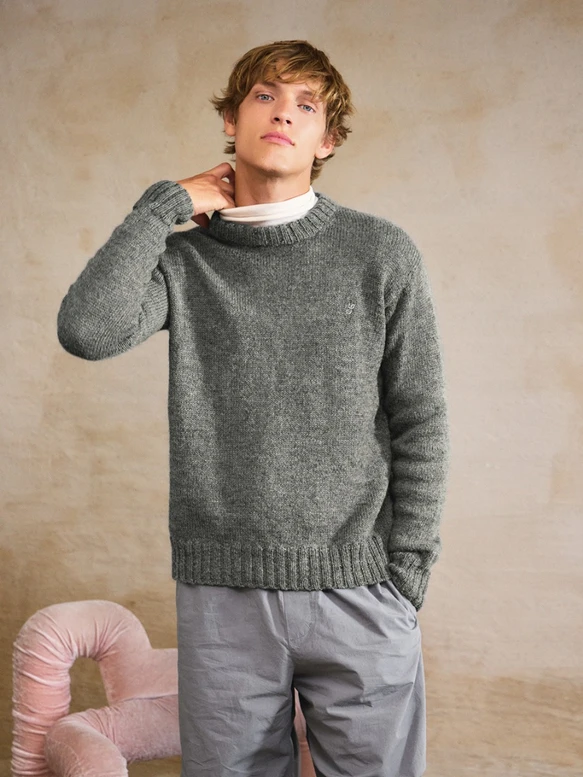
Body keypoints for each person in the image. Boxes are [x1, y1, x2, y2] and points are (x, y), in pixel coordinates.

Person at [57, 39, 450, 777]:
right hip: (222, 594)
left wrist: (407, 572)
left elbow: (420, 415)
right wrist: (164, 206)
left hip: (361, 585)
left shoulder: (380, 253)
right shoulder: (186, 259)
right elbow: (86, 329)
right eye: (265, 96)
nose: (283, 114)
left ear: (327, 140)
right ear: (230, 121)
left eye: (307, 105)